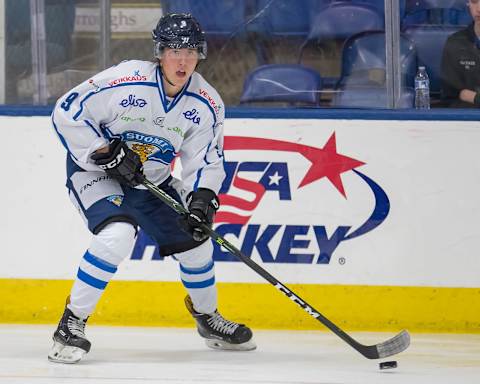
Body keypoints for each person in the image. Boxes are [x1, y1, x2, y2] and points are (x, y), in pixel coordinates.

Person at [48, 13, 256, 364]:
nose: (183, 60)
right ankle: (71, 323)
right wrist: (104, 152)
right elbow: (67, 112)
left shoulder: (205, 102)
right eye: (175, 50)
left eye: (191, 52)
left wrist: (203, 200)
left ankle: (208, 319)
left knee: (198, 242)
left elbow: (207, 160)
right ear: (160, 52)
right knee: (117, 234)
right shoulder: (125, 80)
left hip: (152, 180)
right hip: (94, 172)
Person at [440, 0, 480, 107]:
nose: (479, 9)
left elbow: (465, 94)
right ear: (468, 4)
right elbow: (451, 95)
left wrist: (474, 97)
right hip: (465, 117)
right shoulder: (455, 42)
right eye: (474, 2)